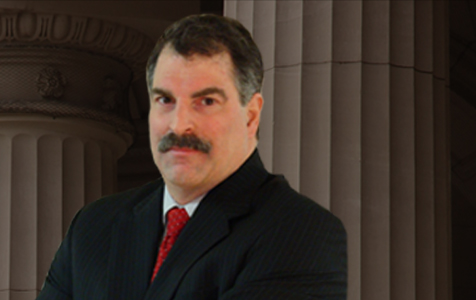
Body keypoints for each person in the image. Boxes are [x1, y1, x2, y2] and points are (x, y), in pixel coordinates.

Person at [35, 14, 347, 300]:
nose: (178, 123)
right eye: (165, 100)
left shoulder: (301, 232)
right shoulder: (93, 228)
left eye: (206, 101)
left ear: (250, 116)